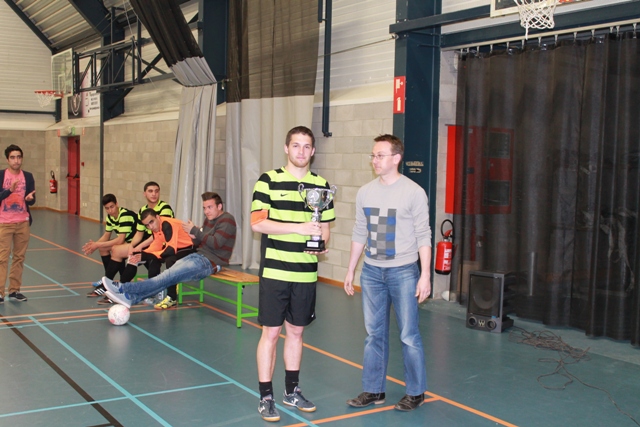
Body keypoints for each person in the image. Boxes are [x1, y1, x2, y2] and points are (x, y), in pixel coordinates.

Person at [250, 126, 335, 422]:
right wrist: (298, 229)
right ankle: (266, 396)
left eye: (306, 146)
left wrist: (320, 244)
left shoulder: (321, 185)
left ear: (313, 151)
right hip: (275, 270)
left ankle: (291, 391)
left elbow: (325, 228)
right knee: (271, 333)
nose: (301, 151)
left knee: (296, 332)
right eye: (296, 145)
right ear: (287, 148)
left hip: (306, 273)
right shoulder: (268, 181)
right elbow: (258, 223)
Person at [343, 134, 431, 412]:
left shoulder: (414, 192)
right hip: (372, 273)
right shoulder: (365, 192)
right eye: (373, 155)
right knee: (374, 334)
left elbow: (424, 235)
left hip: (404, 272)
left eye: (380, 155)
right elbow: (360, 232)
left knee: (408, 335)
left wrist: (425, 275)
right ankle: (374, 389)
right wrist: (351, 269)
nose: (375, 160)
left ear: (396, 158)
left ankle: (415, 392)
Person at [103, 192, 236, 307]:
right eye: (204, 208)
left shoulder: (227, 220)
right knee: (168, 277)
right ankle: (130, 299)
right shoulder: (209, 220)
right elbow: (202, 242)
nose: (206, 211)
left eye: (210, 207)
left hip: (209, 262)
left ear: (220, 206)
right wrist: (194, 237)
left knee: (167, 276)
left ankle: (123, 287)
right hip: (199, 256)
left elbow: (216, 243)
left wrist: (195, 231)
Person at [87, 182, 174, 304]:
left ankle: (120, 290)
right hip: (148, 243)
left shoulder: (165, 208)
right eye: (150, 191)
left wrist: (137, 247)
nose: (154, 194)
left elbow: (160, 234)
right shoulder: (143, 210)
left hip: (162, 244)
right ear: (144, 194)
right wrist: (132, 246)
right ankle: (111, 287)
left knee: (129, 255)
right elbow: (139, 233)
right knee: (120, 251)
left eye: (156, 191)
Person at [117, 208, 196, 309]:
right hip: (177, 248)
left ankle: (172, 297)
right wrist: (141, 255)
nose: (150, 227)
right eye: (147, 225)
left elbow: (170, 250)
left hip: (190, 248)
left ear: (158, 217)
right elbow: (156, 245)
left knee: (170, 260)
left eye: (152, 222)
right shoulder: (156, 228)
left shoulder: (167, 225)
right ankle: (123, 288)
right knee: (146, 258)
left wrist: (146, 255)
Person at [82, 194, 138, 303]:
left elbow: (120, 240)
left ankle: (107, 285)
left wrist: (97, 244)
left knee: (116, 249)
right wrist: (94, 245)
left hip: (137, 244)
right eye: (107, 208)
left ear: (117, 204)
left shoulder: (124, 215)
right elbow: (107, 235)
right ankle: (110, 282)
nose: (110, 210)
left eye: (112, 207)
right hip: (127, 243)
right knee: (103, 249)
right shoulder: (110, 217)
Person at [0, 145, 35, 303]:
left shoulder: (28, 176)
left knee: (19, 257)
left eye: (19, 157)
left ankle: (14, 290)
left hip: (22, 222)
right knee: (2, 258)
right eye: (13, 157)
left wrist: (30, 199)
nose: (16, 160)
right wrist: (9, 190)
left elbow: (32, 199)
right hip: (4, 223)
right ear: (7, 159)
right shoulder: (1, 175)